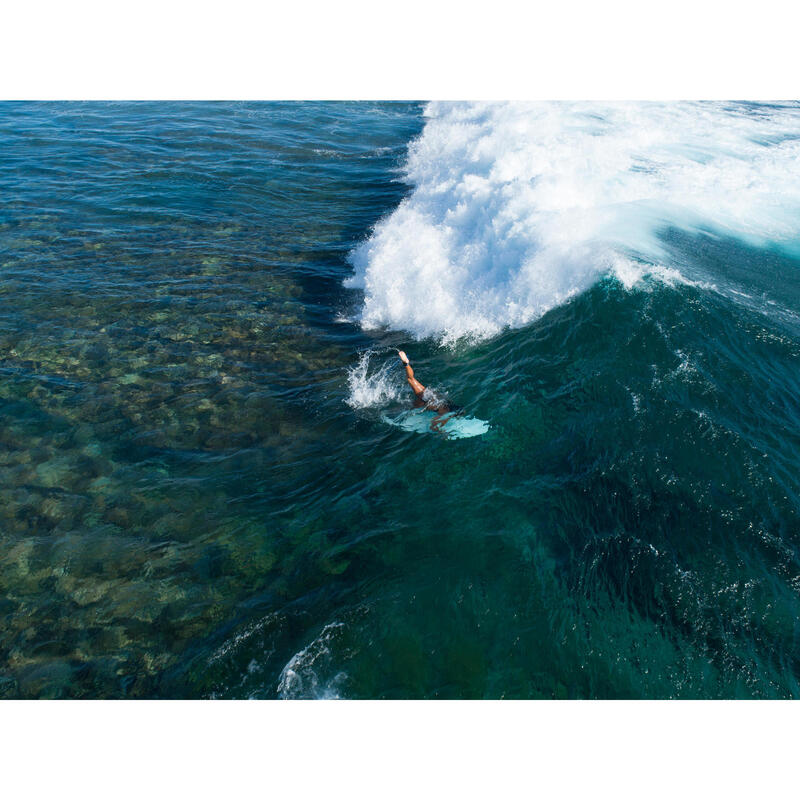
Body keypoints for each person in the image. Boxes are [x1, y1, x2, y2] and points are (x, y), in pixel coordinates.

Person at [397, 350, 460, 430]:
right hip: (425, 400)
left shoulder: (447, 405)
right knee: (410, 382)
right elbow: (433, 425)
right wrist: (443, 433)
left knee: (411, 382)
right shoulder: (445, 414)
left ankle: (406, 364)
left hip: (431, 395)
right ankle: (406, 363)